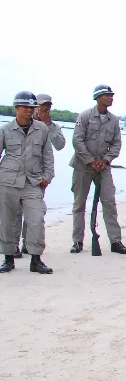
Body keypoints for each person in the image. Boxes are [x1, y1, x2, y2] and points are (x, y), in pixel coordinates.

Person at [70, 85, 126, 255]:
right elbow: (77, 140)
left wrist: (105, 160)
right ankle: (77, 241)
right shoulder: (85, 116)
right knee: (79, 204)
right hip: (83, 166)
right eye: (107, 95)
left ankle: (115, 241)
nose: (111, 98)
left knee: (109, 202)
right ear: (98, 97)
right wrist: (90, 161)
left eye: (111, 95)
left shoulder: (114, 120)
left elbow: (117, 143)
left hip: (103, 167)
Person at [0, 92, 55, 274]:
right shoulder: (5, 130)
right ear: (17, 108)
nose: (29, 111)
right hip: (8, 182)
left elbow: (48, 156)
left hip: (33, 182)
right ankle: (8, 258)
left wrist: (47, 177)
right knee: (6, 222)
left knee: (36, 220)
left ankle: (36, 259)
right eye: (25, 107)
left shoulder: (42, 129)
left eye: (31, 108)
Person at [14, 93, 66, 256]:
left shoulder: (50, 125)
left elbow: (60, 145)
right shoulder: (22, 122)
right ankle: (12, 245)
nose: (45, 109)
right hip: (17, 175)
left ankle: (28, 245)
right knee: (15, 212)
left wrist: (49, 124)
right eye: (42, 105)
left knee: (34, 212)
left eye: (48, 106)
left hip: (37, 176)